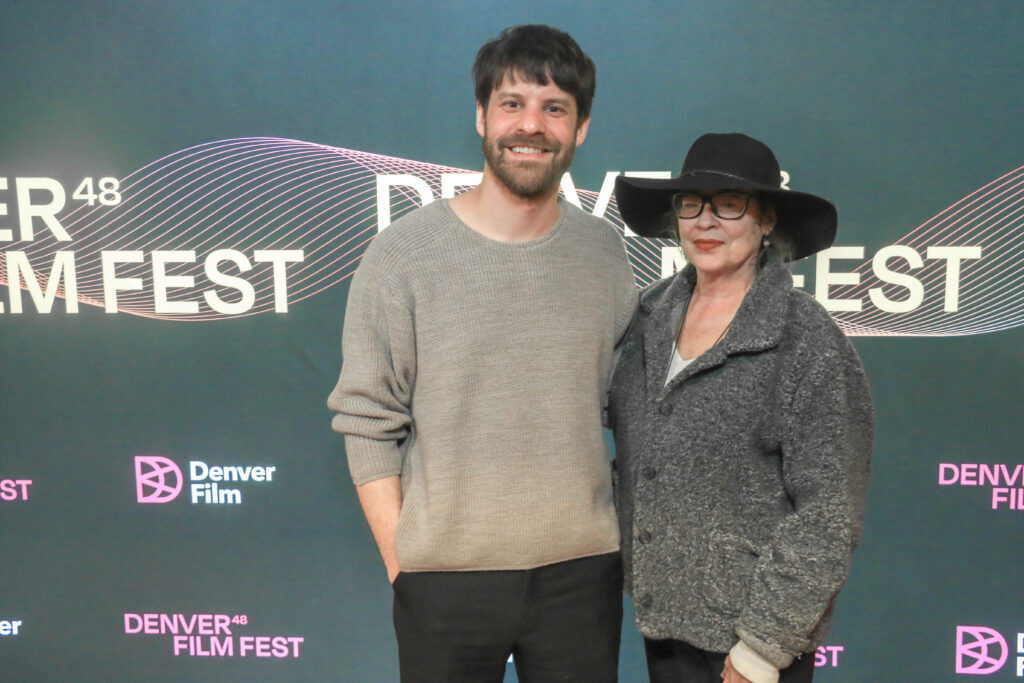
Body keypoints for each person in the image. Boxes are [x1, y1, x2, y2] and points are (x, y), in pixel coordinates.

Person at [327, 25, 637, 682]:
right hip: (443, 581)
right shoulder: (402, 256)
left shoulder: (603, 254)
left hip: (581, 577)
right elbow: (366, 418)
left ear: (580, 128)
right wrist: (403, 560)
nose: (532, 125)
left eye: (554, 108)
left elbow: (627, 403)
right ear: (481, 116)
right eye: (513, 103)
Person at [608, 133, 873, 683]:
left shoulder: (806, 339)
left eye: (729, 205)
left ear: (767, 221)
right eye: (692, 204)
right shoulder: (648, 317)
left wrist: (761, 650)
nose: (706, 221)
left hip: (749, 644)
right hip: (664, 625)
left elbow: (827, 513)